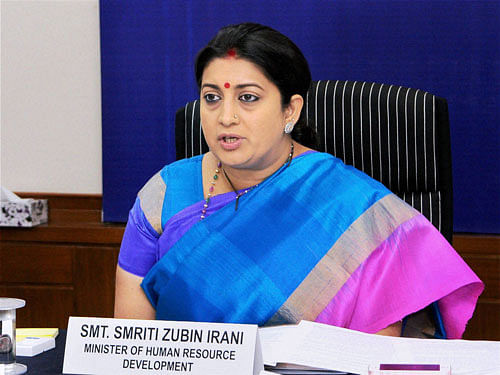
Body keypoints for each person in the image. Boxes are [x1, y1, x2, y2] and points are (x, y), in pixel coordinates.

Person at [114, 22, 483, 338]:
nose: (225, 117)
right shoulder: (162, 195)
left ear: (290, 109)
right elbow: (133, 349)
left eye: (248, 98)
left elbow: (377, 354)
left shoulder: (350, 206)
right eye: (212, 98)